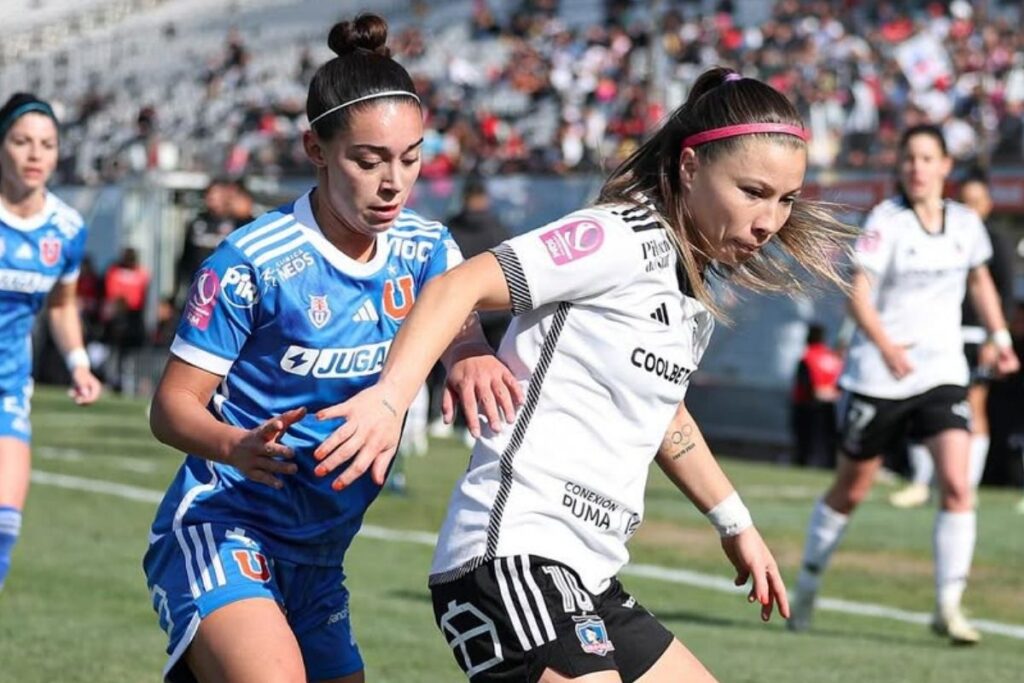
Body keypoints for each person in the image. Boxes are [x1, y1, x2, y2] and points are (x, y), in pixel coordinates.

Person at [312, 67, 852, 682]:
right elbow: (456, 285)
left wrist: (736, 525)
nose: (769, 220)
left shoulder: (686, 290)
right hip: (514, 554)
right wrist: (390, 402)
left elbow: (666, 417)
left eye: (785, 200)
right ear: (691, 167)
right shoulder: (615, 237)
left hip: (587, 576)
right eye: (753, 192)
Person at [142, 15, 520, 683]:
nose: (393, 183)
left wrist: (469, 356)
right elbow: (171, 407)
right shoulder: (251, 263)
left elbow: (455, 328)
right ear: (316, 148)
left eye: (411, 158)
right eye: (368, 160)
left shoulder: (427, 249)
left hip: (320, 556)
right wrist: (234, 445)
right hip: (224, 524)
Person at [789, 125, 1020, 645]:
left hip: (941, 375)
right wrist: (887, 346)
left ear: (944, 167)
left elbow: (980, 280)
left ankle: (948, 605)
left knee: (958, 487)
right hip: (880, 376)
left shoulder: (965, 224)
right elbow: (858, 294)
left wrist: (999, 335)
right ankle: (807, 584)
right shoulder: (884, 222)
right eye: (909, 158)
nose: (916, 167)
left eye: (926, 158)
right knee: (851, 490)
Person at [0, 93, 103, 592]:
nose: (35, 154)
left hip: (7, 388)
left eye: (47, 144)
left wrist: (79, 363)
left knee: (3, 525)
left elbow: (62, 305)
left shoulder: (66, 229)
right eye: (22, 141)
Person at [889, 168, 1018, 507]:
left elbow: (1001, 291)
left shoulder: (995, 238)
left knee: (972, 405)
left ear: (989, 204)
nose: (970, 208)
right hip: (936, 334)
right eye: (965, 201)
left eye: (977, 201)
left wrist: (996, 338)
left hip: (976, 335)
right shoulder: (944, 231)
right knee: (918, 400)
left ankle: (965, 484)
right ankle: (920, 481)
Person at [427, 175, 513, 441]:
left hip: (459, 313)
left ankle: (443, 419)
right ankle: (472, 422)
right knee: (488, 372)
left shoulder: (449, 229)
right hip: (495, 314)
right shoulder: (499, 229)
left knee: (446, 369)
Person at [790, 322, 842, 468]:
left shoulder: (807, 357)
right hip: (830, 405)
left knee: (804, 441)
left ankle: (803, 463)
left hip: (807, 405)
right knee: (827, 439)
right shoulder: (832, 357)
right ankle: (828, 465)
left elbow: (806, 384)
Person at [102, 246, 150, 394]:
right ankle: (110, 380)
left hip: (134, 316)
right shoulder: (114, 271)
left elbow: (143, 295)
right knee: (113, 350)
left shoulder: (141, 273)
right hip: (118, 314)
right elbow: (111, 293)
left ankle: (129, 384)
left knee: (130, 353)